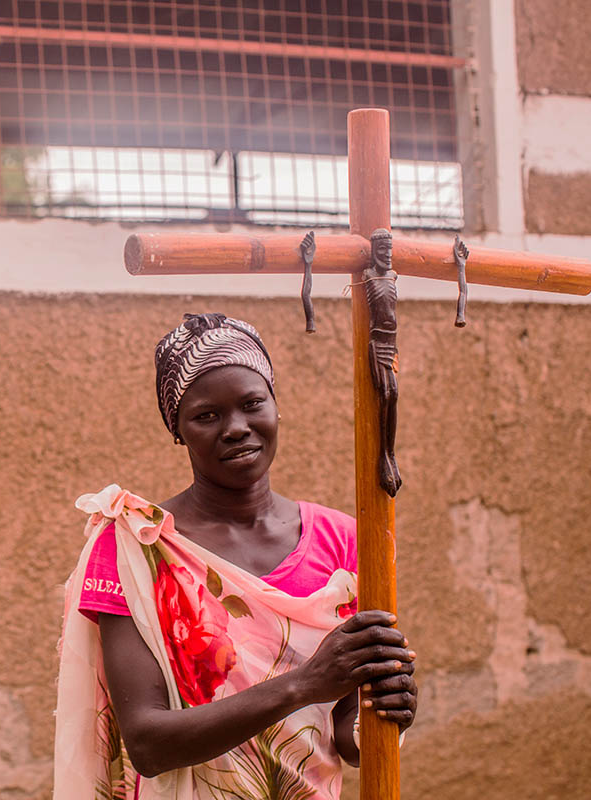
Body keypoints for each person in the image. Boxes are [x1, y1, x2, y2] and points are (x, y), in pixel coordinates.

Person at [53, 313, 418, 800]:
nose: (237, 428)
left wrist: (390, 710)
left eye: (252, 404)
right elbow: (148, 743)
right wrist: (304, 685)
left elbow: (346, 738)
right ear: (177, 430)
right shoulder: (137, 546)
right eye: (207, 416)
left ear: (275, 407)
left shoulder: (348, 540)